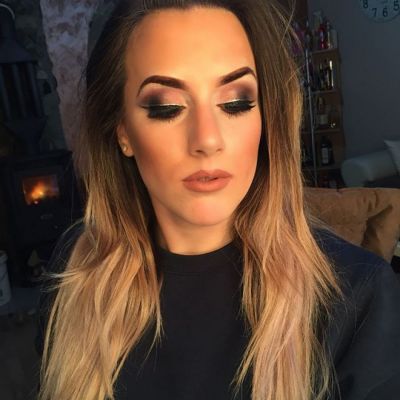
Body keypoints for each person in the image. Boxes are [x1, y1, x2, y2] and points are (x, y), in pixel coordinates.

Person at [35, 1, 400, 399]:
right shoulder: (78, 270)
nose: (207, 139)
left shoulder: (359, 297)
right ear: (123, 132)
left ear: (265, 117)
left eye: (236, 103)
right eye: (166, 108)